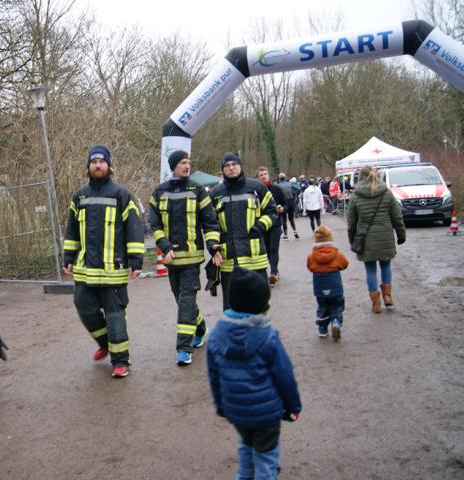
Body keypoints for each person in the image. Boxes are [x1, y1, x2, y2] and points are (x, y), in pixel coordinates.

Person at [207, 267, 302, 480]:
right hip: (266, 413)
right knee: (266, 460)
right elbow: (284, 375)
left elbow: (214, 376)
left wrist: (221, 405)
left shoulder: (216, 335)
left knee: (247, 447)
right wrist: (293, 406)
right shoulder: (267, 337)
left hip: (236, 410)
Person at [63, 144, 144, 378]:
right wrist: (69, 256)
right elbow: (72, 230)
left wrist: (136, 260)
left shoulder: (122, 194)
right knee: (84, 308)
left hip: (113, 270)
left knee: (115, 316)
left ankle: (121, 361)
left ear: (109, 166)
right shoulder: (79, 196)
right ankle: (105, 343)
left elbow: (134, 229)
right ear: (88, 166)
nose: (97, 165)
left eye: (101, 162)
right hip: (85, 270)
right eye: (93, 162)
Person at [149, 149, 221, 366]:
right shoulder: (159, 191)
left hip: (192, 259)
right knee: (181, 301)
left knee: (186, 300)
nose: (187, 166)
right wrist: (164, 246)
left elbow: (210, 222)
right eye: (182, 163)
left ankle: (184, 348)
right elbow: (154, 224)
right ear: (173, 166)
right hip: (171, 259)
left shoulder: (197, 190)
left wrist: (212, 246)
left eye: (188, 162)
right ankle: (200, 328)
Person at [210, 152, 277, 311]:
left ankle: (258, 326)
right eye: (227, 166)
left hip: (254, 258)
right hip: (229, 261)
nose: (231, 168)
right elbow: (210, 223)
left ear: (240, 166)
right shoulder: (215, 193)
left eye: (234, 164)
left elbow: (271, 211)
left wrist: (259, 227)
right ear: (223, 170)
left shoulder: (257, 187)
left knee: (260, 301)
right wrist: (212, 244)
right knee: (231, 306)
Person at [347, 166, 406, 313]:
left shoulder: (356, 196)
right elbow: (397, 216)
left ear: (359, 177)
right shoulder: (386, 192)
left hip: (366, 238)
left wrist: (352, 240)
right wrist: (401, 234)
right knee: (386, 265)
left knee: (370, 269)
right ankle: (387, 297)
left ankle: (376, 303)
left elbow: (351, 222)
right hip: (385, 236)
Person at [306, 225, 349, 340]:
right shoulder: (337, 254)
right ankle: (336, 321)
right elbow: (345, 264)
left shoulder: (312, 255)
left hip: (319, 288)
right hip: (335, 287)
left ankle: (322, 328)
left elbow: (310, 267)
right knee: (337, 305)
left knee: (322, 306)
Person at [255, 167, 283, 285]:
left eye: (265, 174)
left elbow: (286, 204)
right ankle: (274, 269)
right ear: (257, 178)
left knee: (274, 248)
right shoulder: (254, 192)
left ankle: (273, 273)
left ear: (268, 175)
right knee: (267, 250)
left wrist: (282, 208)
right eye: (261, 175)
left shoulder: (277, 189)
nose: (263, 176)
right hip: (262, 225)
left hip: (275, 224)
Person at [276, 173, 299, 239]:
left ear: (279, 179)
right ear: (285, 178)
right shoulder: (290, 184)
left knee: (284, 219)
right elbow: (298, 188)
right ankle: (295, 232)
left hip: (283, 202)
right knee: (291, 218)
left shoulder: (278, 186)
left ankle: (285, 235)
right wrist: (294, 195)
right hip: (291, 201)